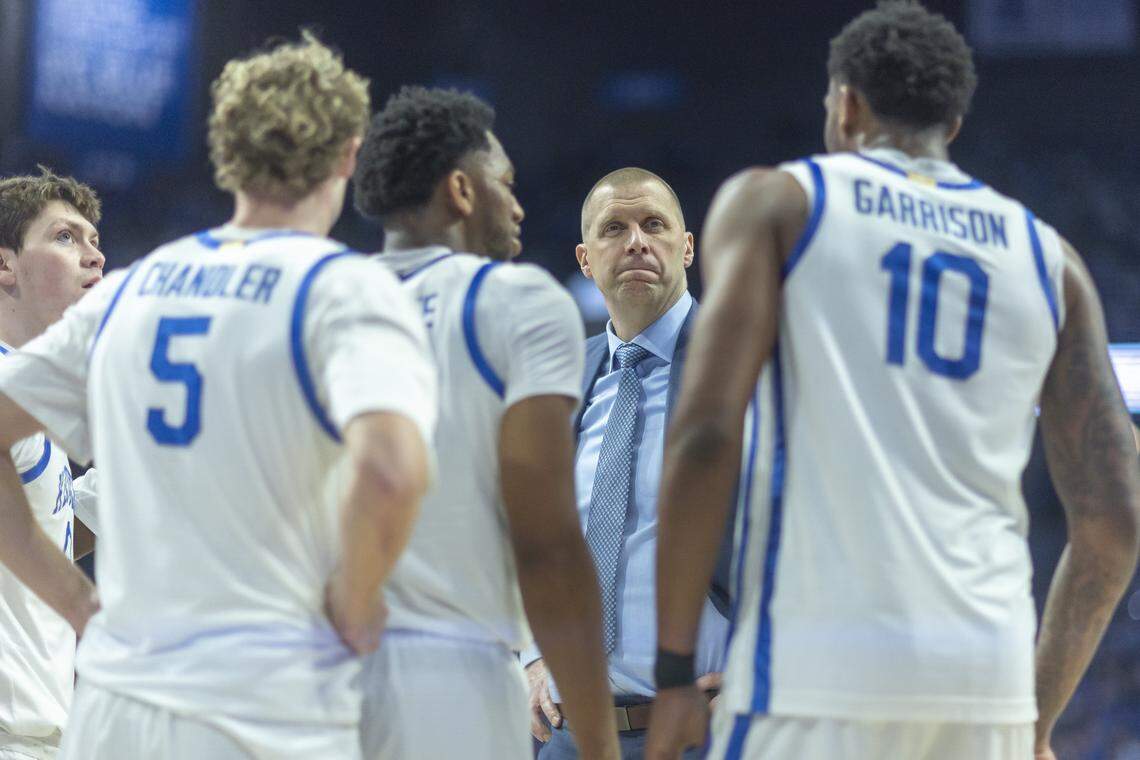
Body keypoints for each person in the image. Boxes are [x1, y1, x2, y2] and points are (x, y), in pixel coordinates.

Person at [645, 3, 1140, 759]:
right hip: (987, 683)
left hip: (815, 673)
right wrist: (1032, 722)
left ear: (844, 105)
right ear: (954, 125)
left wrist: (676, 670)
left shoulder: (780, 202)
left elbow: (707, 433)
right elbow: (1116, 521)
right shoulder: (1052, 262)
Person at [0, 34, 437, 760]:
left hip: (117, 705)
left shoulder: (133, 290)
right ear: (346, 156)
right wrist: (354, 604)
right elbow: (392, 471)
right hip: (262, 701)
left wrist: (75, 602)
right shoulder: (345, 287)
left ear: (226, 151)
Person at [351, 86, 619, 760]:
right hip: (451, 683)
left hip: (308, 684)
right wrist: (600, 744)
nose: (520, 205)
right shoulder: (516, 299)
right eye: (507, 183)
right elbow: (547, 545)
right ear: (462, 191)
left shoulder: (311, 306)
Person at [523, 168, 731, 760]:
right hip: (571, 735)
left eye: (654, 225)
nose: (636, 241)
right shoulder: (562, 376)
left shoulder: (747, 366)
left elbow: (810, 532)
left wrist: (765, 671)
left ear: (686, 247)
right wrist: (531, 655)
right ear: (587, 260)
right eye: (615, 228)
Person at [0, 167, 102, 759]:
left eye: (93, 239)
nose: (94, 255)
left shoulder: (29, 394)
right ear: (4, 264)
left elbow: (36, 535)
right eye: (66, 238)